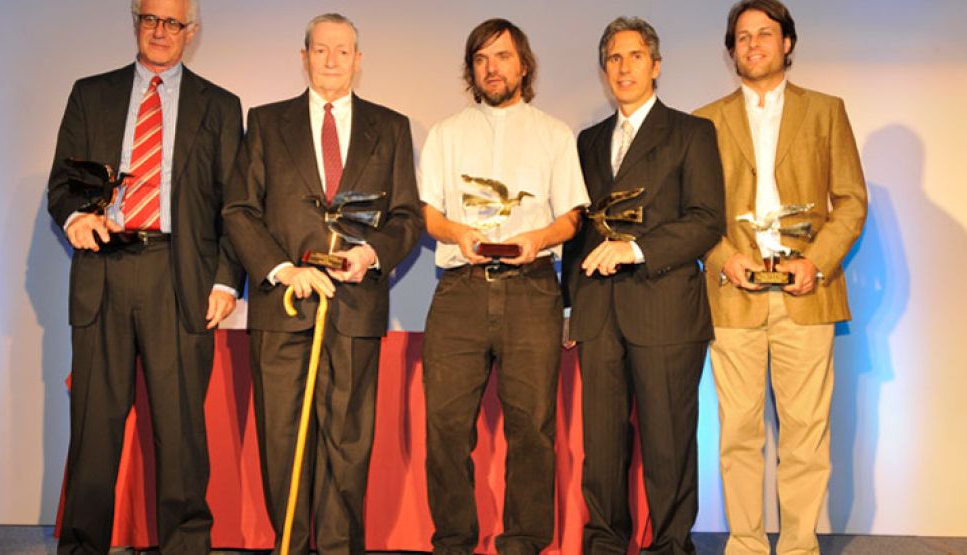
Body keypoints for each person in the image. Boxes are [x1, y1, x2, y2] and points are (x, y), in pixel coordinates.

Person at [46, 0, 244, 553]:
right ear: (135, 23)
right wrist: (75, 216)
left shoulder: (221, 106)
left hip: (180, 279)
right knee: (94, 430)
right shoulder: (92, 94)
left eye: (173, 22)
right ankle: (83, 546)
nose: (161, 31)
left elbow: (236, 205)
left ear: (191, 32)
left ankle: (185, 547)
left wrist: (227, 282)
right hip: (102, 272)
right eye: (150, 19)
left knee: (181, 435)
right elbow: (61, 185)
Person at [222, 13, 421, 555]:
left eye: (343, 51)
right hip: (283, 305)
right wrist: (286, 269)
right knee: (283, 441)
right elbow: (239, 211)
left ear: (359, 60)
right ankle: (289, 546)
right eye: (321, 50)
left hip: (355, 306)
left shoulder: (392, 126)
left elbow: (407, 216)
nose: (332, 60)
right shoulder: (265, 122)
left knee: (348, 445)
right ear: (304, 56)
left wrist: (371, 255)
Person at [693, 1, 868, 553]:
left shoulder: (826, 111)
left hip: (806, 293)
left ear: (787, 43)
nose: (752, 44)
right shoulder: (704, 121)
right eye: (742, 37)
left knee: (805, 436)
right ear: (731, 51)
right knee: (738, 435)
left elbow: (852, 202)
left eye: (764, 34)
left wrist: (815, 262)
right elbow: (693, 211)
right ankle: (744, 543)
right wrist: (723, 258)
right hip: (733, 294)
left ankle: (798, 546)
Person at [417, 18, 590, 555]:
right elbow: (429, 213)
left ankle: (523, 543)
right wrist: (458, 233)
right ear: (472, 70)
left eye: (503, 57)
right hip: (460, 292)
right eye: (481, 59)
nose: (492, 68)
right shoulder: (446, 133)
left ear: (524, 65)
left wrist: (539, 238)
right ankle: (453, 541)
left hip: (532, 291)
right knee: (445, 430)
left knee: (532, 430)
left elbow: (572, 218)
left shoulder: (555, 134)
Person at [562, 16, 725, 555]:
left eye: (634, 56)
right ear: (604, 70)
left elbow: (706, 220)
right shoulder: (586, 142)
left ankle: (671, 546)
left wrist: (636, 248)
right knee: (601, 447)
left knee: (668, 444)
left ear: (656, 66)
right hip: (598, 313)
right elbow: (576, 230)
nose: (623, 67)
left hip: (665, 311)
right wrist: (569, 306)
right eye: (613, 58)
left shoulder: (691, 132)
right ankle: (604, 543)